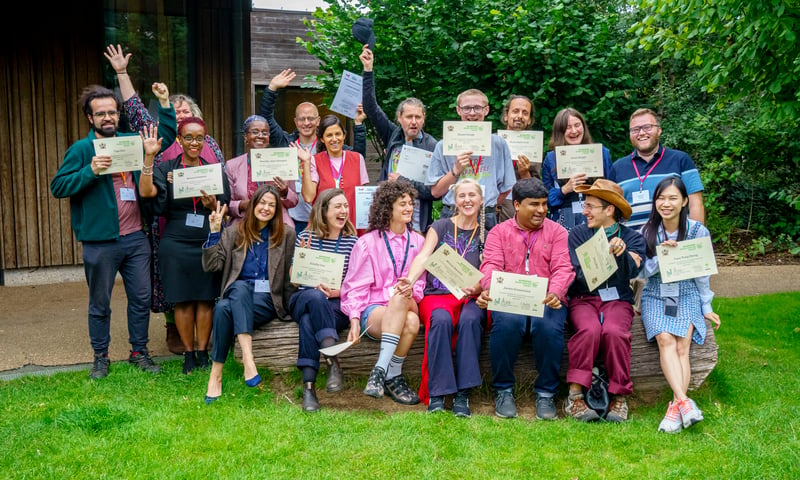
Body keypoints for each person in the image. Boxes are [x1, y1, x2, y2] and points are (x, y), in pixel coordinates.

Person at [106, 44, 225, 355]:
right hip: (165, 221)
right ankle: (173, 326)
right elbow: (132, 107)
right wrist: (122, 73)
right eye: (176, 111)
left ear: (197, 119)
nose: (182, 115)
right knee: (170, 279)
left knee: (204, 284)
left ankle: (203, 339)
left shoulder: (209, 144)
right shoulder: (156, 135)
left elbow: (221, 178)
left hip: (204, 223)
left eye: (187, 111)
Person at [50, 86, 168, 379]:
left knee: (141, 298)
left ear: (119, 114)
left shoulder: (131, 141)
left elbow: (163, 134)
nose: (107, 117)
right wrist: (89, 170)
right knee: (100, 302)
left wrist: (164, 103)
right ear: (90, 118)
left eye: (112, 112)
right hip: (99, 242)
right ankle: (100, 357)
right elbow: (58, 187)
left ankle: (139, 352)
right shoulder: (81, 149)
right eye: (100, 113)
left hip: (135, 238)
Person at [475, 177, 575, 419]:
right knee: (507, 322)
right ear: (517, 205)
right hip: (511, 296)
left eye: (543, 204)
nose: (541, 210)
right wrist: (489, 288)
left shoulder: (558, 232)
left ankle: (546, 392)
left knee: (548, 325)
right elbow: (490, 265)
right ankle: (504, 389)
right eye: (534, 204)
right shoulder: (498, 232)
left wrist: (556, 292)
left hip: (546, 298)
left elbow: (563, 267)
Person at [138, 117, 231, 374]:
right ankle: (188, 354)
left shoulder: (213, 169)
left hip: (206, 239)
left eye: (199, 138)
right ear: (179, 140)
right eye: (188, 137)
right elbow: (147, 195)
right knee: (182, 300)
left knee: (205, 298)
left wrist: (213, 205)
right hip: (176, 241)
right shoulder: (166, 169)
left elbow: (224, 210)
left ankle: (203, 352)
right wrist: (149, 158)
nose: (194, 142)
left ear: (205, 140)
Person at [399, 178, 487, 417]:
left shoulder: (487, 233)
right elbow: (424, 255)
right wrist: (410, 278)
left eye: (472, 195)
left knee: (470, 320)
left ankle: (462, 394)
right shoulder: (440, 226)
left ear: (481, 199)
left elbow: (491, 270)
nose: (467, 200)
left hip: (471, 297)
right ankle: (438, 393)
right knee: (440, 320)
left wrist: (479, 288)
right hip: (437, 295)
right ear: (455, 201)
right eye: (462, 196)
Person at [201, 185, 296, 403]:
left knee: (225, 306)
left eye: (272, 205)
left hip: (267, 301)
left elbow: (291, 277)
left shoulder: (287, 234)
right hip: (238, 295)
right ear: (253, 204)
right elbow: (212, 266)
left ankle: (218, 374)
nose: (266, 208)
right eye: (262, 203)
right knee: (236, 293)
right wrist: (215, 232)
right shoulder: (234, 231)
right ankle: (244, 361)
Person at [640, 177, 721, 433]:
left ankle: (676, 406)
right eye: (661, 198)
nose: (666, 203)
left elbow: (702, 274)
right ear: (655, 202)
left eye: (673, 198)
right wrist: (661, 257)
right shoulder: (647, 231)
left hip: (686, 293)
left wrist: (706, 306)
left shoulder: (698, 231)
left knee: (682, 345)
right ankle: (685, 403)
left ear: (685, 201)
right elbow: (640, 272)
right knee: (665, 338)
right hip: (655, 293)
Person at [564, 179, 646, 422]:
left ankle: (619, 398)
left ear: (609, 209)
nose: (584, 211)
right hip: (584, 298)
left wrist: (621, 256)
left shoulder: (632, 238)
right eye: (584, 205)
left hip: (618, 300)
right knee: (589, 329)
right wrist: (603, 254)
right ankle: (575, 398)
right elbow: (578, 274)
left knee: (614, 332)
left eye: (590, 206)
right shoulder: (578, 234)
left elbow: (631, 273)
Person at [341, 180, 426, 405]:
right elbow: (356, 286)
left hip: (408, 301)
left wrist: (408, 290)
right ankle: (392, 375)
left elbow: (420, 285)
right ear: (388, 208)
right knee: (410, 322)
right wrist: (355, 319)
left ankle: (378, 370)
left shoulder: (419, 242)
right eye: (403, 204)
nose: (409, 208)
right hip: (376, 310)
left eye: (411, 203)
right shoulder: (367, 242)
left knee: (401, 296)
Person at [259, 68, 367, 235]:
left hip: (325, 218)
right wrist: (272, 88)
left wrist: (359, 126)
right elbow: (265, 120)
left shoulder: (328, 147)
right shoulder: (287, 144)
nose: (306, 123)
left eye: (311, 119)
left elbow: (357, 157)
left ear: (318, 121)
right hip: (294, 216)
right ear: (295, 121)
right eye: (302, 119)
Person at [289, 188, 359, 412]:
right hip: (303, 297)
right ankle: (333, 360)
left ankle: (309, 389)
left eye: (346, 206)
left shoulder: (353, 242)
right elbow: (293, 280)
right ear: (324, 210)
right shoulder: (306, 237)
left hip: (335, 304)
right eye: (338, 206)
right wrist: (303, 262)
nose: (343, 211)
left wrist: (336, 292)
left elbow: (355, 282)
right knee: (314, 295)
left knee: (309, 322)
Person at [359, 45, 439, 232]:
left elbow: (434, 192)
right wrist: (368, 70)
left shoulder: (432, 146)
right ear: (400, 118)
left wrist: (402, 180)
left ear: (423, 119)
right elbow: (370, 107)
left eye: (418, 117)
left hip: (417, 220)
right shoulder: (392, 134)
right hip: (388, 215)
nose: (413, 122)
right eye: (409, 117)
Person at [426, 88, 516, 231]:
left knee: (485, 254)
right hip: (452, 213)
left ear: (486, 110)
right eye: (467, 108)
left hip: (486, 215)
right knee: (448, 254)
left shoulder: (499, 144)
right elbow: (436, 192)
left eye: (477, 108)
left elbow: (507, 187)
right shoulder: (443, 146)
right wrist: (456, 170)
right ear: (458, 110)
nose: (472, 113)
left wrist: (487, 205)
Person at [609, 108, 705, 230]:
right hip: (633, 245)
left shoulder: (681, 160)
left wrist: (695, 240)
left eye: (647, 127)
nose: (641, 133)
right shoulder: (617, 168)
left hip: (675, 242)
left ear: (659, 130)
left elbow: (695, 205)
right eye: (635, 129)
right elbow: (611, 212)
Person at [541, 108, 613, 231]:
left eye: (577, 125)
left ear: (583, 127)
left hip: (597, 217)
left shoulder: (601, 153)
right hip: (563, 221)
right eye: (568, 127)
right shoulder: (551, 159)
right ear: (560, 132)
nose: (574, 131)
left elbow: (612, 190)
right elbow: (545, 200)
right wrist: (564, 189)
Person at [225, 115, 298, 227]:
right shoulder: (232, 166)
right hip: (243, 226)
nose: (260, 136)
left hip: (277, 225)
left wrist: (285, 192)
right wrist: (244, 205)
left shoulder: (282, 161)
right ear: (245, 137)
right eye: (255, 132)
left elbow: (294, 201)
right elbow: (227, 204)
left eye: (265, 133)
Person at [297, 115, 370, 225]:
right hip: (324, 227)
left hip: (351, 225)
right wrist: (306, 162)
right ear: (322, 139)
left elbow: (362, 196)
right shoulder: (315, 161)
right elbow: (308, 197)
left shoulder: (357, 159)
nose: (334, 139)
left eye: (338, 134)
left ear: (344, 136)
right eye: (329, 135)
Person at [497, 95, 538, 223]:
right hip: (491, 209)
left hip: (518, 212)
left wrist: (524, 172)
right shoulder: (492, 142)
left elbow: (536, 191)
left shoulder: (533, 147)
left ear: (530, 120)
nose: (520, 116)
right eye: (515, 111)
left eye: (525, 113)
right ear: (506, 116)